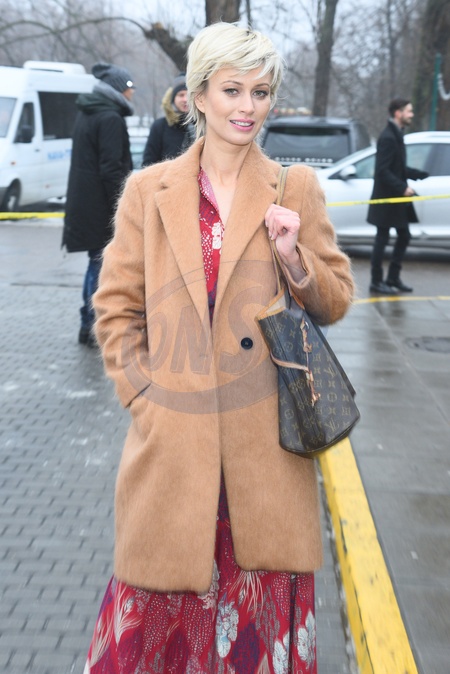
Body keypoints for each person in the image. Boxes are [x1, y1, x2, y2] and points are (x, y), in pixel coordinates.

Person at [84, 22, 354, 673]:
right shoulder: (149, 192)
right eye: (232, 90)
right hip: (174, 454)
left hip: (266, 464)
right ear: (199, 95)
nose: (247, 107)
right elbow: (115, 310)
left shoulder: (293, 188)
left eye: (261, 92)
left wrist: (294, 260)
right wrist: (145, 398)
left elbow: (336, 299)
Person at [62, 62, 135, 347]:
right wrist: (123, 205)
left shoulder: (89, 111)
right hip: (102, 209)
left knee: (95, 264)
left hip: (86, 204)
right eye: (129, 87)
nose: (132, 92)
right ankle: (93, 327)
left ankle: (87, 324)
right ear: (117, 90)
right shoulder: (109, 118)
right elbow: (111, 169)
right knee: (101, 268)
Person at [367, 97, 428, 294]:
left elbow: (397, 168)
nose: (411, 115)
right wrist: (402, 188)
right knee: (382, 239)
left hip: (396, 200)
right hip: (387, 199)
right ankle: (376, 281)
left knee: (404, 235)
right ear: (398, 113)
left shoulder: (397, 134)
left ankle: (393, 278)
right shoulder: (388, 137)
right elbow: (382, 171)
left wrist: (419, 174)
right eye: (408, 111)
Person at [142, 73, 194, 165]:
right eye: (181, 95)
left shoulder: (204, 125)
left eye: (189, 95)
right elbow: (149, 162)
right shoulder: (160, 126)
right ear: (173, 99)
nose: (185, 99)